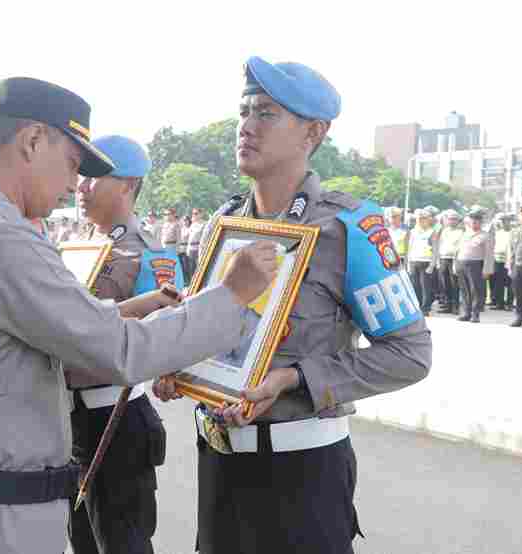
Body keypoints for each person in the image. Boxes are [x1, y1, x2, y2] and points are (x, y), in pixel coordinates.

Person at [0, 76, 278, 554]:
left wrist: (120, 310)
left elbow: (25, 329)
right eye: (72, 164)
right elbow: (120, 353)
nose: (71, 186)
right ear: (33, 141)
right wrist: (232, 294)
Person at [154, 56, 431, 554]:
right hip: (218, 463)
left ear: (312, 134)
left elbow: (410, 355)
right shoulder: (224, 225)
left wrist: (295, 378)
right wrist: (181, 364)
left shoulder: (348, 228)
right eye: (244, 112)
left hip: (302, 476)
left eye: (266, 113)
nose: (246, 127)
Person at [69, 134, 180, 554]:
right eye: (80, 177)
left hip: (113, 418)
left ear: (128, 185)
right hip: (67, 420)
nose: (81, 186)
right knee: (81, 541)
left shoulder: (150, 255)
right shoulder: (77, 247)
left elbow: (171, 331)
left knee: (121, 543)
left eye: (94, 177)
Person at [454, 208, 494, 322]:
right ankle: (466, 312)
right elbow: (457, 251)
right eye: (472, 221)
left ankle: (475, 314)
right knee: (464, 290)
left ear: (480, 222)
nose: (474, 223)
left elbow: (489, 254)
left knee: (475, 290)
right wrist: (455, 265)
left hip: (476, 264)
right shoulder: (464, 234)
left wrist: (487, 270)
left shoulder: (485, 235)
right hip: (461, 263)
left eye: (476, 221)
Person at [407, 208, 439, 315]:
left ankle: (425, 308)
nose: (420, 221)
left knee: (426, 287)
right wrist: (408, 263)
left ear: (428, 220)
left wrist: (432, 265)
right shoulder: (412, 232)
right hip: (414, 261)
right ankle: (417, 306)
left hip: (426, 262)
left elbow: (435, 250)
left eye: (423, 219)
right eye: (419, 219)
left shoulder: (432, 232)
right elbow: (409, 248)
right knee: (415, 286)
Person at [437, 210, 463, 314]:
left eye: (454, 219)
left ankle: (455, 306)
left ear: (457, 221)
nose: (451, 221)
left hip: (454, 259)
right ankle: (447, 304)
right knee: (445, 283)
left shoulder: (461, 232)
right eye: (450, 219)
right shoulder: (443, 231)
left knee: (454, 284)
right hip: (443, 258)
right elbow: (439, 245)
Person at [489, 214, 513, 310]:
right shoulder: (498, 232)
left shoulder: (513, 232)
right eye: (502, 221)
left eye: (506, 221)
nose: (504, 223)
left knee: (510, 283)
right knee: (498, 283)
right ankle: (499, 303)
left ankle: (509, 303)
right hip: (498, 260)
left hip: (509, 260)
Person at [187, 207, 207, 277]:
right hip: (191, 248)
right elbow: (189, 237)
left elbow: (205, 237)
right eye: (193, 214)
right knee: (191, 268)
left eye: (196, 213)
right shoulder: (193, 224)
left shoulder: (204, 224)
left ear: (201, 214)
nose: (194, 215)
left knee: (199, 267)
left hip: (199, 247)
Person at [179, 215, 191, 283]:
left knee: (186, 266)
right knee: (181, 267)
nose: (185, 222)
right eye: (184, 220)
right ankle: (184, 281)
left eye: (186, 220)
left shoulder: (190, 228)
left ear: (189, 221)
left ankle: (189, 280)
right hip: (180, 249)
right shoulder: (181, 229)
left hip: (186, 249)